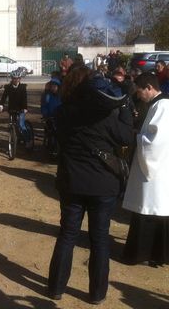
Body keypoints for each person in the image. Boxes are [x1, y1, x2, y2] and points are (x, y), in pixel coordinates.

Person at [47, 66, 134, 305]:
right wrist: (124, 106)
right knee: (100, 238)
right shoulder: (105, 115)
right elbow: (127, 137)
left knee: (67, 234)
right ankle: (96, 293)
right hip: (102, 183)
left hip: (71, 180)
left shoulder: (63, 112)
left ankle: (55, 288)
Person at [122, 72, 169, 266]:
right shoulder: (161, 105)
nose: (138, 95)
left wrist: (136, 137)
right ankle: (164, 251)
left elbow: (157, 142)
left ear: (149, 88)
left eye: (139, 91)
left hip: (157, 169)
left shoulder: (163, 106)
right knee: (160, 208)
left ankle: (147, 253)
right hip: (160, 167)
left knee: (151, 206)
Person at [0, 70, 29, 140]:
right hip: (12, 108)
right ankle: (13, 140)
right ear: (12, 78)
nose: (16, 80)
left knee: (21, 124)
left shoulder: (23, 87)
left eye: (17, 78)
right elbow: (4, 97)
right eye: (14, 78)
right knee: (11, 125)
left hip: (21, 108)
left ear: (20, 79)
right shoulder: (8, 87)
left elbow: (24, 98)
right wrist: (1, 106)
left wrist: (25, 108)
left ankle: (28, 141)